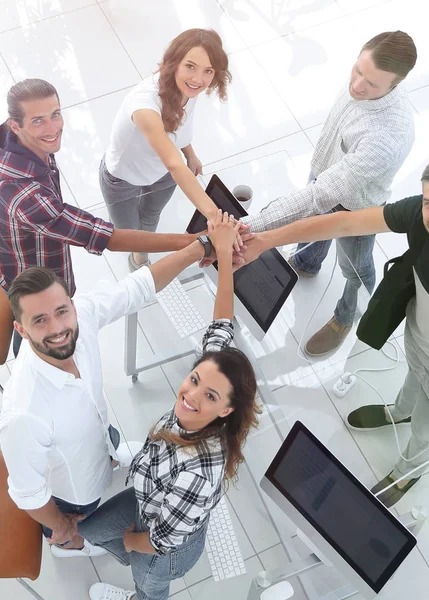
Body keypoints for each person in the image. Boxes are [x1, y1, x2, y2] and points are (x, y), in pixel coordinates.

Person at [0, 210, 249, 560]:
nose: (57, 327)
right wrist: (62, 526)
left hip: (101, 444)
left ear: (72, 304)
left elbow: (138, 287)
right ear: (22, 331)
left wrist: (203, 247)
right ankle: (74, 547)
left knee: (110, 449)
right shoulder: (23, 413)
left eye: (61, 311)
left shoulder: (80, 317)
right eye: (40, 320)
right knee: (82, 527)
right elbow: (28, 493)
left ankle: (111, 462)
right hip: (76, 490)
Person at [241, 155, 429, 507]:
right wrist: (266, 240)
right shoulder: (419, 215)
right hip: (419, 335)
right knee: (413, 380)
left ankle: (408, 469)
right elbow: (342, 223)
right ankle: (399, 412)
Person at [73, 211, 260, 600]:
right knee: (90, 530)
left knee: (149, 585)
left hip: (164, 550)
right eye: (194, 380)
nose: (191, 395)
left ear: (226, 409)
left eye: (208, 396)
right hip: (149, 497)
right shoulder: (215, 374)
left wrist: (129, 543)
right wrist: (224, 256)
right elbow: (222, 321)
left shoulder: (199, 472)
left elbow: (158, 543)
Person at [0, 78, 241, 356]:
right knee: (39, 344)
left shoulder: (19, 142)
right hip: (35, 287)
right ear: (16, 125)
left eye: (55, 114)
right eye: (38, 121)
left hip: (18, 261)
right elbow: (107, 237)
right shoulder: (26, 197)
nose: (53, 128)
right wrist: (197, 241)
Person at [242, 31, 417, 356]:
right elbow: (322, 187)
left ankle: (346, 315)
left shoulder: (386, 138)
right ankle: (307, 262)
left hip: (356, 207)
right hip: (327, 171)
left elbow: (319, 196)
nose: (357, 86)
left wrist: (254, 225)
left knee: (356, 266)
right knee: (313, 221)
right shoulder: (364, 85)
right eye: (358, 70)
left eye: (372, 84)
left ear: (394, 85)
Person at [100, 28, 231, 271]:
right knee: (125, 232)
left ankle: (141, 257)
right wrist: (214, 216)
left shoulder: (189, 89)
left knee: (150, 217)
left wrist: (190, 153)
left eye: (208, 71)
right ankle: (137, 255)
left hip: (162, 173)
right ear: (174, 62)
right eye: (190, 66)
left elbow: (178, 128)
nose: (198, 79)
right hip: (123, 178)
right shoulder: (144, 105)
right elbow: (172, 163)